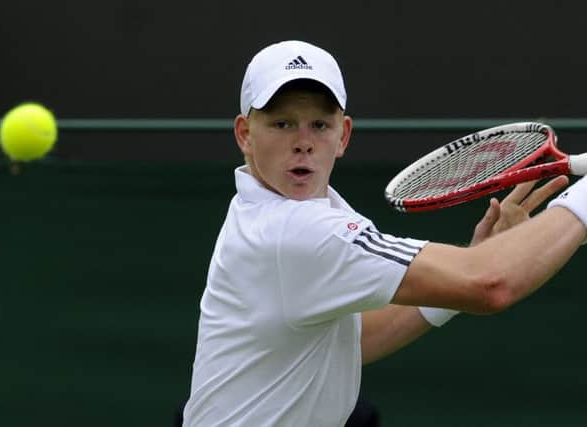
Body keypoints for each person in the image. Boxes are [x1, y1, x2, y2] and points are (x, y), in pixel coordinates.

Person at [180, 40, 584, 427]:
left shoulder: (294, 214)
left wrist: (478, 258)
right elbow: (490, 283)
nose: (303, 143)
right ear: (245, 135)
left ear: (344, 135)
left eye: (320, 124)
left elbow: (351, 343)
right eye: (282, 123)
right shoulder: (293, 231)